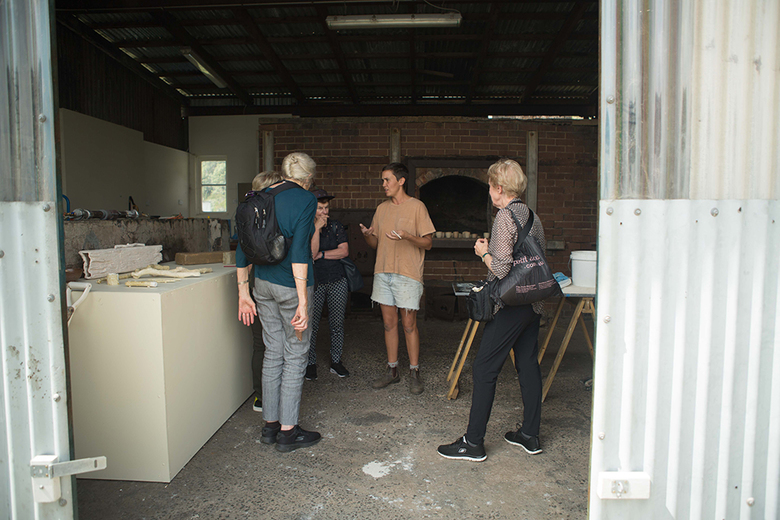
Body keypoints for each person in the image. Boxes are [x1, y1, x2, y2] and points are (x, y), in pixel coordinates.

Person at [437, 158, 547, 461]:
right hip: (532, 303)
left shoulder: (504, 217)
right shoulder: (532, 216)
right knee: (528, 366)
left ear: (499, 188)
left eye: (489, 184)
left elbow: (500, 269)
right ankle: (529, 434)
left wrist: (482, 251)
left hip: (509, 306)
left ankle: (473, 443)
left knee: (484, 369)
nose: (488, 189)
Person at [236, 152, 321, 453]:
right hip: (290, 287)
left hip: (263, 285)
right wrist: (303, 301)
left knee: (272, 352)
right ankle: (288, 431)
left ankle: (270, 426)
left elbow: (242, 246)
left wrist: (242, 293)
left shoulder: (260, 195)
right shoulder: (305, 200)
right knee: (296, 354)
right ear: (308, 178)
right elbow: (300, 251)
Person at [359, 163, 435, 395]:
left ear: (401, 181)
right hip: (383, 272)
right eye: (382, 180)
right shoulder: (382, 209)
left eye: (387, 180)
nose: (383, 185)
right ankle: (392, 371)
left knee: (409, 325)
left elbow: (428, 243)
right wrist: (367, 236)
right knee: (389, 324)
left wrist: (407, 236)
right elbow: (376, 244)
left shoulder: (417, 207)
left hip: (408, 274)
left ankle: (414, 372)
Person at [245, 171, 284, 413]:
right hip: (274, 282)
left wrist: (244, 291)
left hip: (254, 281)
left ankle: (261, 396)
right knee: (276, 343)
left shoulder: (247, 214)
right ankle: (277, 394)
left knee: (261, 343)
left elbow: (244, 255)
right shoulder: (277, 216)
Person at [305, 189, 350, 380]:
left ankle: (336, 361)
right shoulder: (306, 227)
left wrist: (323, 254)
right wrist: (316, 229)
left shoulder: (336, 226)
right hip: (314, 281)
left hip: (337, 279)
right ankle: (310, 363)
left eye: (326, 208)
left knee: (337, 323)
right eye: (320, 208)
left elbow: (344, 251)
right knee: (312, 325)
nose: (324, 212)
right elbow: (310, 254)